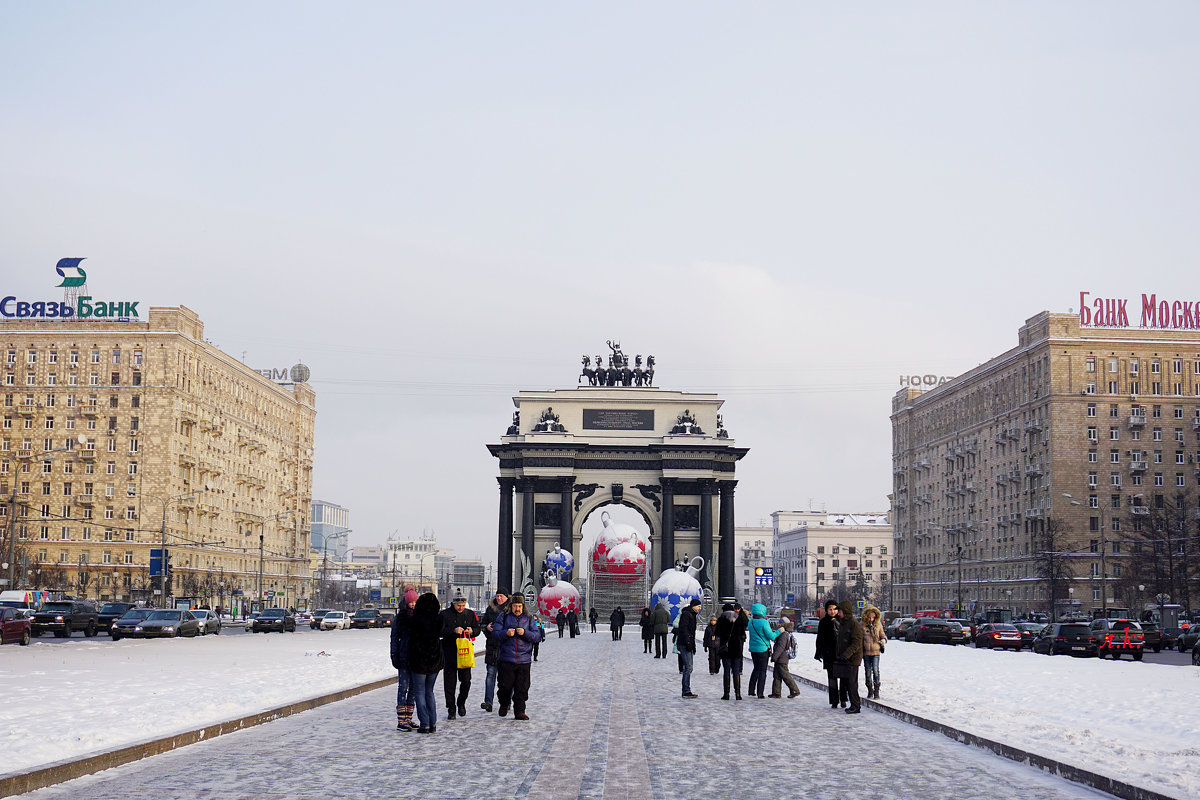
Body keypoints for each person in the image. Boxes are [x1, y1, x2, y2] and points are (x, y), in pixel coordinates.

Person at [491, 593, 543, 720]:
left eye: (519, 606)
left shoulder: (529, 618)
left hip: (524, 660)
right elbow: (495, 634)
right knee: (504, 686)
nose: (517, 609)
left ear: (523, 606)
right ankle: (504, 703)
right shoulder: (503, 617)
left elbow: (537, 636)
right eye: (515, 606)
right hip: (506, 659)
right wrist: (506, 633)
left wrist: (525, 633)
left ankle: (519, 711)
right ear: (511, 606)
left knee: (522, 687)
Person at [439, 593, 481, 720]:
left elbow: (478, 629)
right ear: (453, 604)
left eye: (463, 605)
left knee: (466, 681)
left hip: (465, 653)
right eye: (458, 605)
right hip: (450, 652)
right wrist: (453, 630)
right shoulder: (444, 614)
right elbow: (440, 631)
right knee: (449, 683)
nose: (461, 607)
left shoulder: (469, 614)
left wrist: (472, 631)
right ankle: (451, 708)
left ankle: (461, 702)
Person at [407, 592, 444, 733]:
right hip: (434, 660)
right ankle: (433, 723)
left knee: (419, 692)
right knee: (430, 692)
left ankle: (425, 724)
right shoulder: (439, 619)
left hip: (419, 660)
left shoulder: (416, 619)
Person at [389, 589, 420, 729]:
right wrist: (394, 654)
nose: (413, 604)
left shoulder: (420, 616)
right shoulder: (400, 617)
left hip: (417, 657)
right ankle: (401, 720)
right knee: (403, 687)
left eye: (415, 602)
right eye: (411, 602)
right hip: (403, 656)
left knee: (413, 688)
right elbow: (394, 637)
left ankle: (409, 718)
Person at [478, 588, 509, 713]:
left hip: (506, 647)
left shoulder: (510, 609)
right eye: (497, 596)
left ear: (507, 597)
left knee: (506, 678)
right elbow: (483, 624)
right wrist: (487, 628)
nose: (499, 598)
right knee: (490, 675)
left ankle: (506, 702)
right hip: (492, 646)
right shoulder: (490, 609)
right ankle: (488, 702)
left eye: (501, 596)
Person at [834, 600, 864, 714]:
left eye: (839, 611)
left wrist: (846, 654)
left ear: (845, 611)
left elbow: (856, 643)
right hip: (846, 658)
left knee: (852, 683)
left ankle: (856, 706)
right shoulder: (844, 622)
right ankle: (853, 704)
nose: (838, 613)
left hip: (853, 659)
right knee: (848, 683)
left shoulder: (853, 624)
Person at [815, 599, 844, 708]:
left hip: (841, 653)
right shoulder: (823, 622)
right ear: (826, 610)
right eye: (830, 609)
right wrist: (818, 652)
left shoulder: (842, 620)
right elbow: (820, 638)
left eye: (835, 609)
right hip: (829, 654)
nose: (833, 612)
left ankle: (843, 699)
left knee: (843, 677)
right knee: (832, 678)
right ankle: (834, 700)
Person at [714, 602, 747, 700]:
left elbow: (717, 633)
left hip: (725, 648)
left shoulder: (721, 619)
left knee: (727, 670)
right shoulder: (739, 619)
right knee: (736, 671)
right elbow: (742, 632)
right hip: (736, 647)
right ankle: (738, 694)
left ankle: (726, 694)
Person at [746, 602, 779, 699]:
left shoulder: (750, 622)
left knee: (756, 669)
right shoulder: (764, 623)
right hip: (763, 650)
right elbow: (771, 636)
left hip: (753, 649)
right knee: (762, 671)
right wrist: (779, 631)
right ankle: (760, 693)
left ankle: (751, 690)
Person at [768, 618, 801, 699]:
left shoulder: (784, 634)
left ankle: (795, 690)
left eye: (780, 624)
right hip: (780, 658)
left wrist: (774, 656)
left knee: (785, 675)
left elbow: (781, 647)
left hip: (782, 658)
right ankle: (776, 692)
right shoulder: (784, 633)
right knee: (777, 675)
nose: (778, 625)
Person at [677, 597, 701, 698]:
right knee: (688, 667)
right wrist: (688, 642)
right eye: (698, 606)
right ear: (693, 606)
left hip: (688, 643)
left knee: (689, 668)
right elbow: (684, 629)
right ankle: (686, 690)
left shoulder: (692, 614)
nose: (700, 608)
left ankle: (686, 689)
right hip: (685, 643)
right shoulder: (687, 614)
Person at [861, 605, 887, 700]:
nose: (871, 619)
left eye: (873, 617)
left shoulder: (878, 625)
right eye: (869, 617)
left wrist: (883, 641)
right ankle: (870, 690)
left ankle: (876, 691)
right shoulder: (862, 625)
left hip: (876, 651)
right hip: (866, 652)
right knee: (868, 671)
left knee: (876, 670)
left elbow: (883, 636)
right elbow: (860, 639)